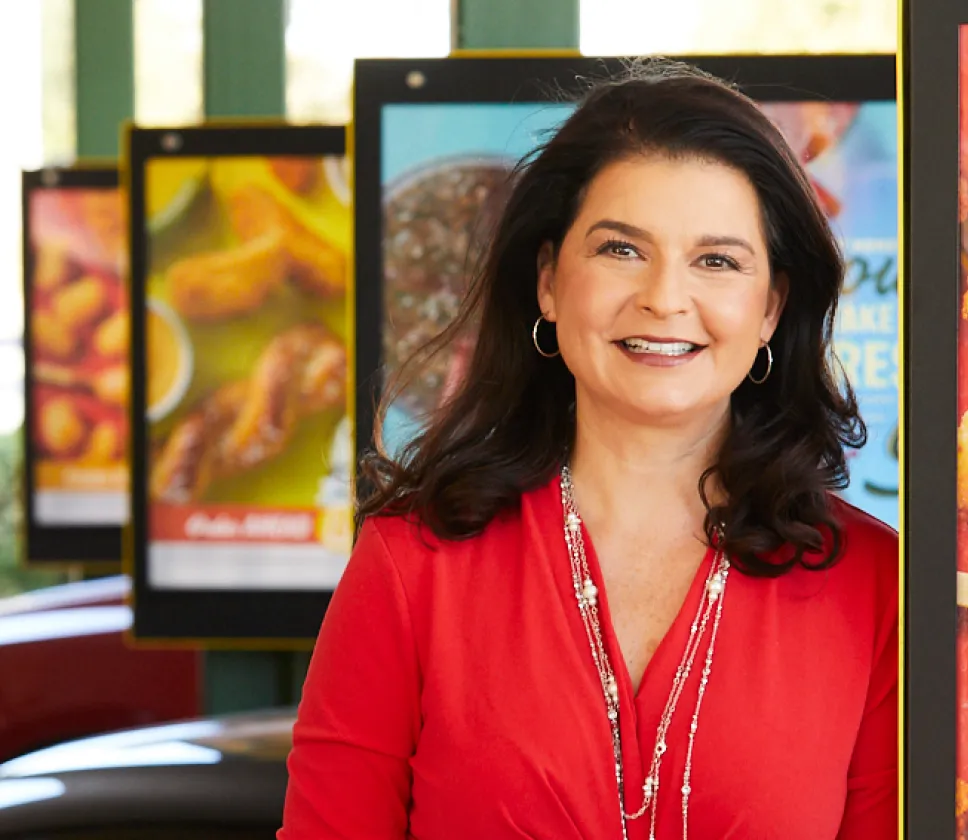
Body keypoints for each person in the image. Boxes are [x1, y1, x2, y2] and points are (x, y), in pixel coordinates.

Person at [279, 59, 898, 839]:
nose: (665, 298)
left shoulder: (874, 589)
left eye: (718, 260)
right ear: (547, 281)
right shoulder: (411, 566)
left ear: (772, 306)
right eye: (620, 250)